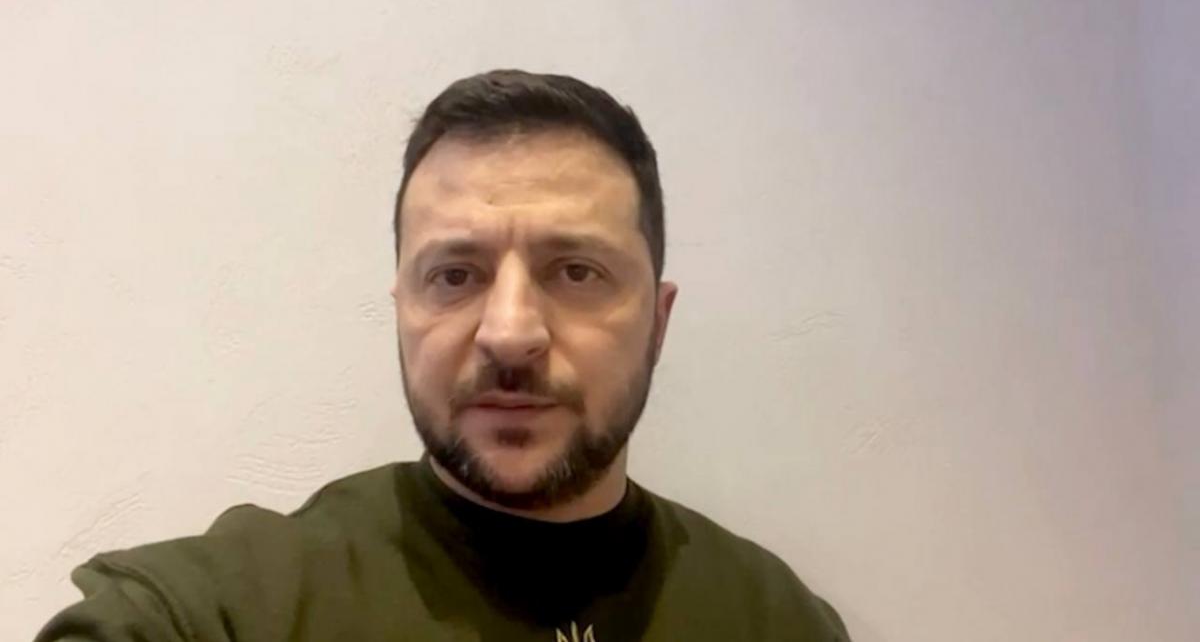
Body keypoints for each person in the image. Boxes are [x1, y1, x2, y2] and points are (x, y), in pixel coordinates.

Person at [35, 69, 851, 641]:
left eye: (576, 271)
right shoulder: (230, 605)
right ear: (403, 310)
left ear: (659, 322)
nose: (510, 332)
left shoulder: (778, 620)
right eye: (455, 275)